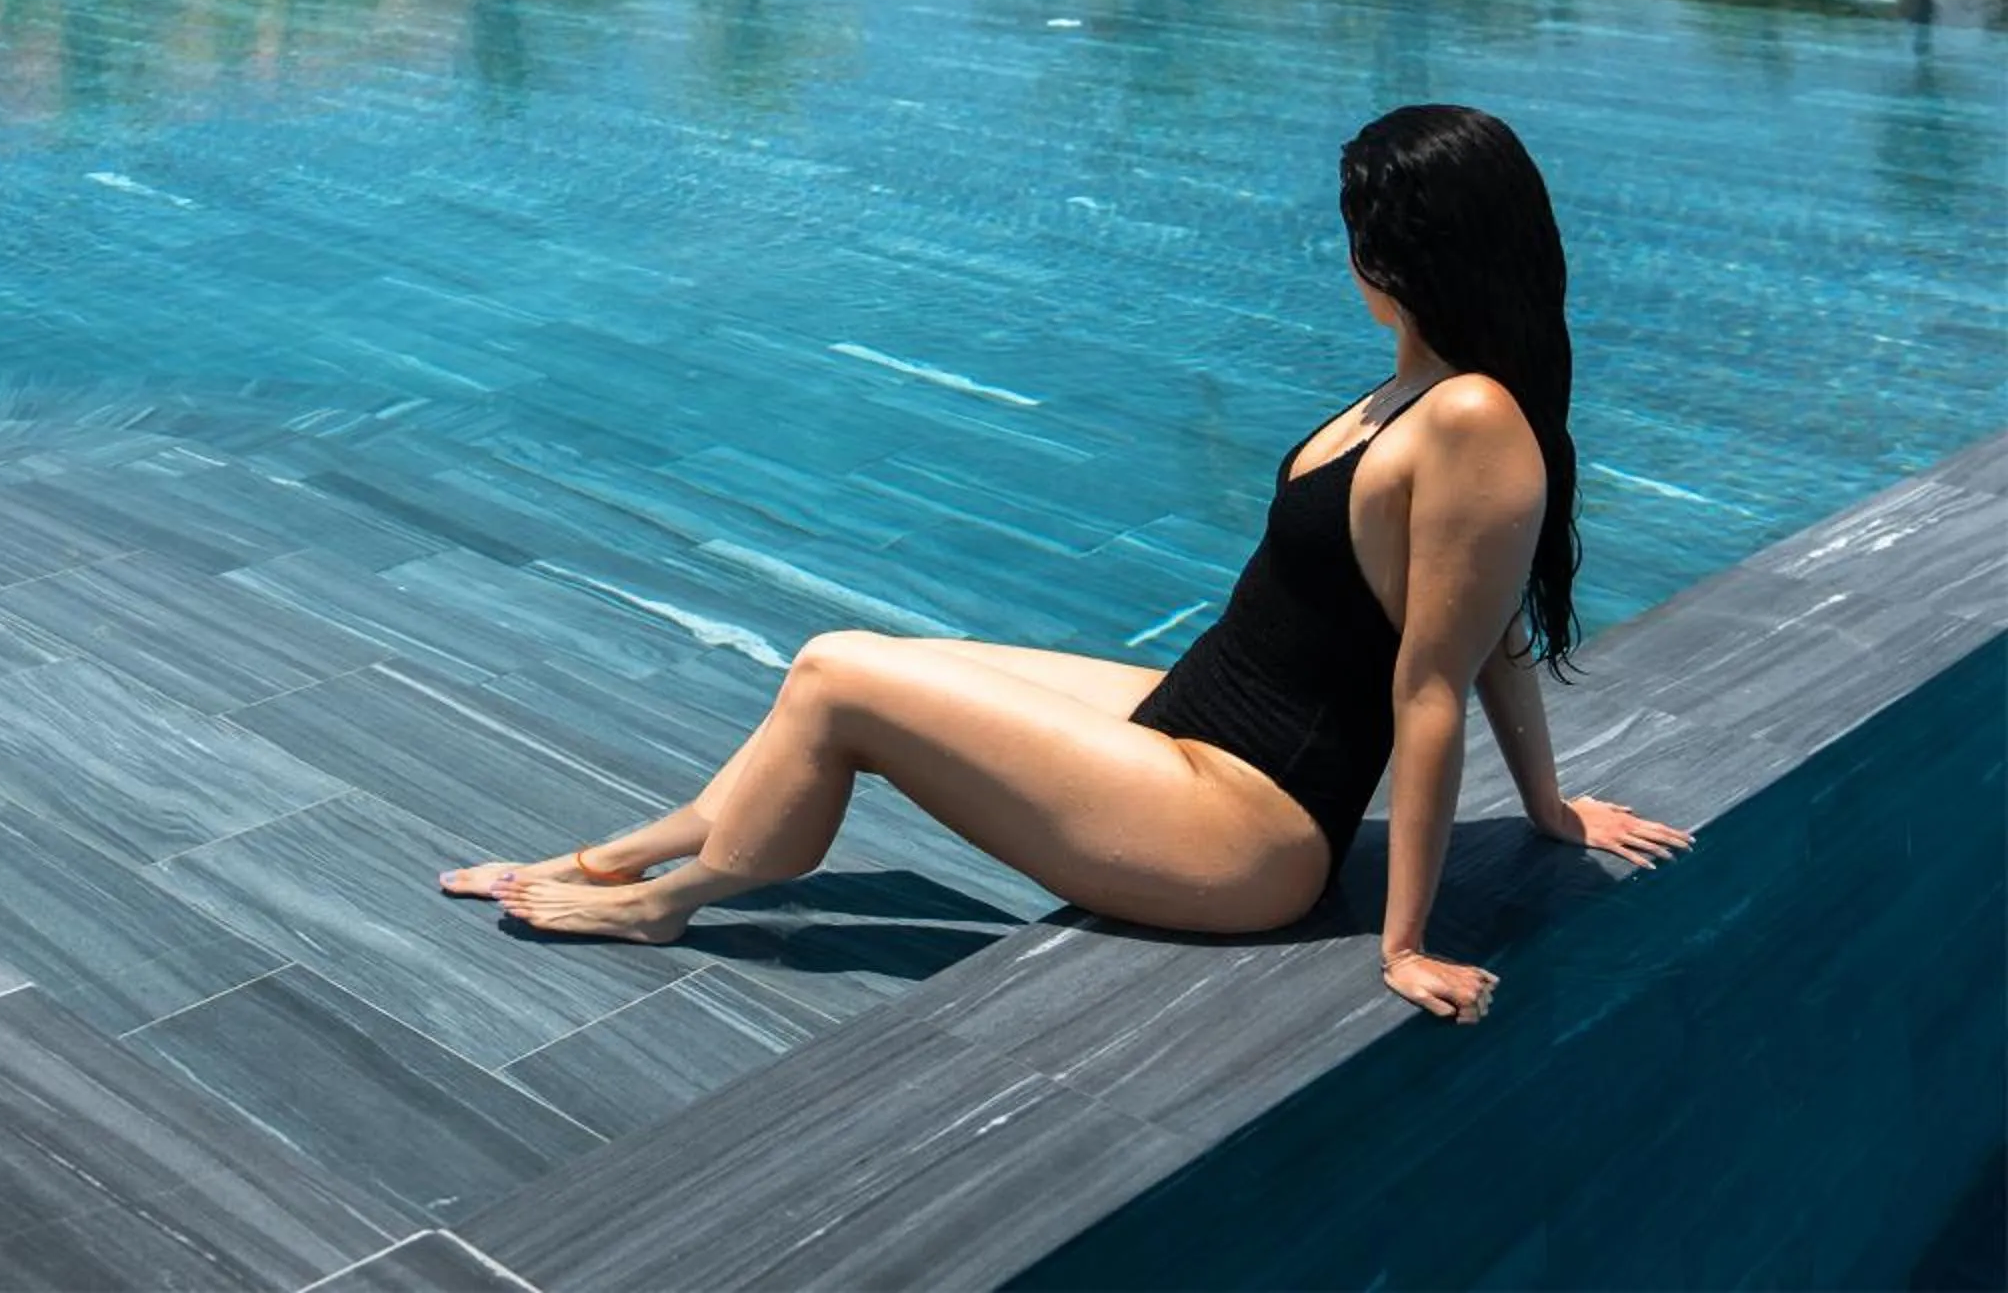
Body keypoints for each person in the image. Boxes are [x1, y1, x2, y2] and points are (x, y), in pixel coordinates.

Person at [442, 105, 1691, 1025]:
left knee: (838, 675)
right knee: (869, 672)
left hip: (1249, 834)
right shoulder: (1416, 390)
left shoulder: (1473, 420)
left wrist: (1405, 939)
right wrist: (1548, 808)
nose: (1346, 256)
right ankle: (631, 850)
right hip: (1198, 725)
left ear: (1399, 257)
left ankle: (674, 897)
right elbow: (1500, 632)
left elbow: (1443, 681)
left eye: (1355, 233)